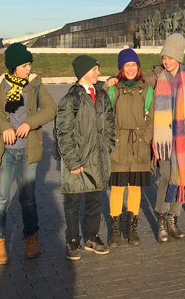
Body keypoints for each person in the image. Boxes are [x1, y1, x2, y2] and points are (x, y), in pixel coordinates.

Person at [0, 43, 56, 264]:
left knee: (27, 199)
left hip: (27, 151)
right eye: (25, 65)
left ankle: (31, 239)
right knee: (1, 199)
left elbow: (50, 109)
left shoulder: (35, 84)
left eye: (29, 65)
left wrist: (29, 123)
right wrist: (5, 127)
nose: (29, 69)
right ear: (13, 66)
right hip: (4, 151)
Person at [144, 33, 185, 243]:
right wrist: (114, 80)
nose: (166, 61)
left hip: (184, 141)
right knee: (165, 177)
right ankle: (162, 218)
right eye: (164, 57)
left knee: (181, 178)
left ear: (178, 57)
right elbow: (136, 84)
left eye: (170, 57)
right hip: (163, 141)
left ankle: (173, 219)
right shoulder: (156, 77)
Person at [56, 55, 115, 261]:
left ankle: (92, 236)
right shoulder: (70, 99)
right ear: (84, 72)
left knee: (95, 199)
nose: (98, 73)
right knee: (73, 200)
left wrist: (108, 145)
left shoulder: (102, 95)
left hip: (98, 157)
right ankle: (73, 239)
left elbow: (109, 121)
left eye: (98, 69)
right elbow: (63, 132)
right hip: (77, 159)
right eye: (94, 70)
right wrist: (73, 161)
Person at [106, 48, 153, 247]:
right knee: (117, 188)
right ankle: (115, 231)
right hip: (118, 145)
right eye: (127, 65)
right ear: (121, 68)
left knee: (134, 188)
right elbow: (106, 117)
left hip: (139, 145)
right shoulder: (113, 89)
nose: (131, 69)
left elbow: (151, 118)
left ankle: (131, 229)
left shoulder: (147, 89)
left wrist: (146, 139)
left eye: (134, 65)